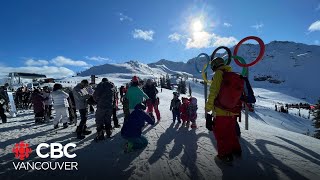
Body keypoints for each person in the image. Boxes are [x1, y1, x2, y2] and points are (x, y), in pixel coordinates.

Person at [205, 57, 242, 164]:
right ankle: (236, 149)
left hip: (221, 111)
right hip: (232, 111)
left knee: (220, 133)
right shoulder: (232, 74)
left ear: (214, 65)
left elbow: (213, 93)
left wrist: (208, 109)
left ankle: (224, 155)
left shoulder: (218, 74)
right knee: (231, 131)